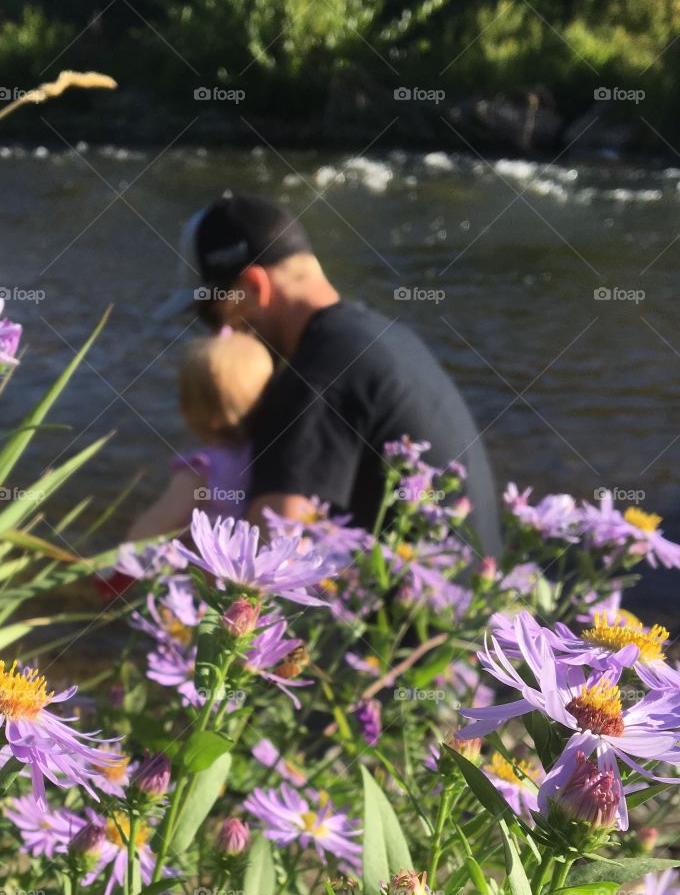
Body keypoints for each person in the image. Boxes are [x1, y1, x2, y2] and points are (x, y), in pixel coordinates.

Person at [157, 192, 502, 558]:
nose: (219, 335)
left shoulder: (313, 378)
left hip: (420, 595)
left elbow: (272, 561)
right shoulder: (384, 336)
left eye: (213, 313)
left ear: (256, 286)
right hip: (474, 585)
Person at [95, 329, 274, 599]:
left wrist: (116, 571)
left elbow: (156, 525)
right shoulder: (264, 455)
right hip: (238, 574)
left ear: (188, 409)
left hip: (197, 579)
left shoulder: (200, 469)